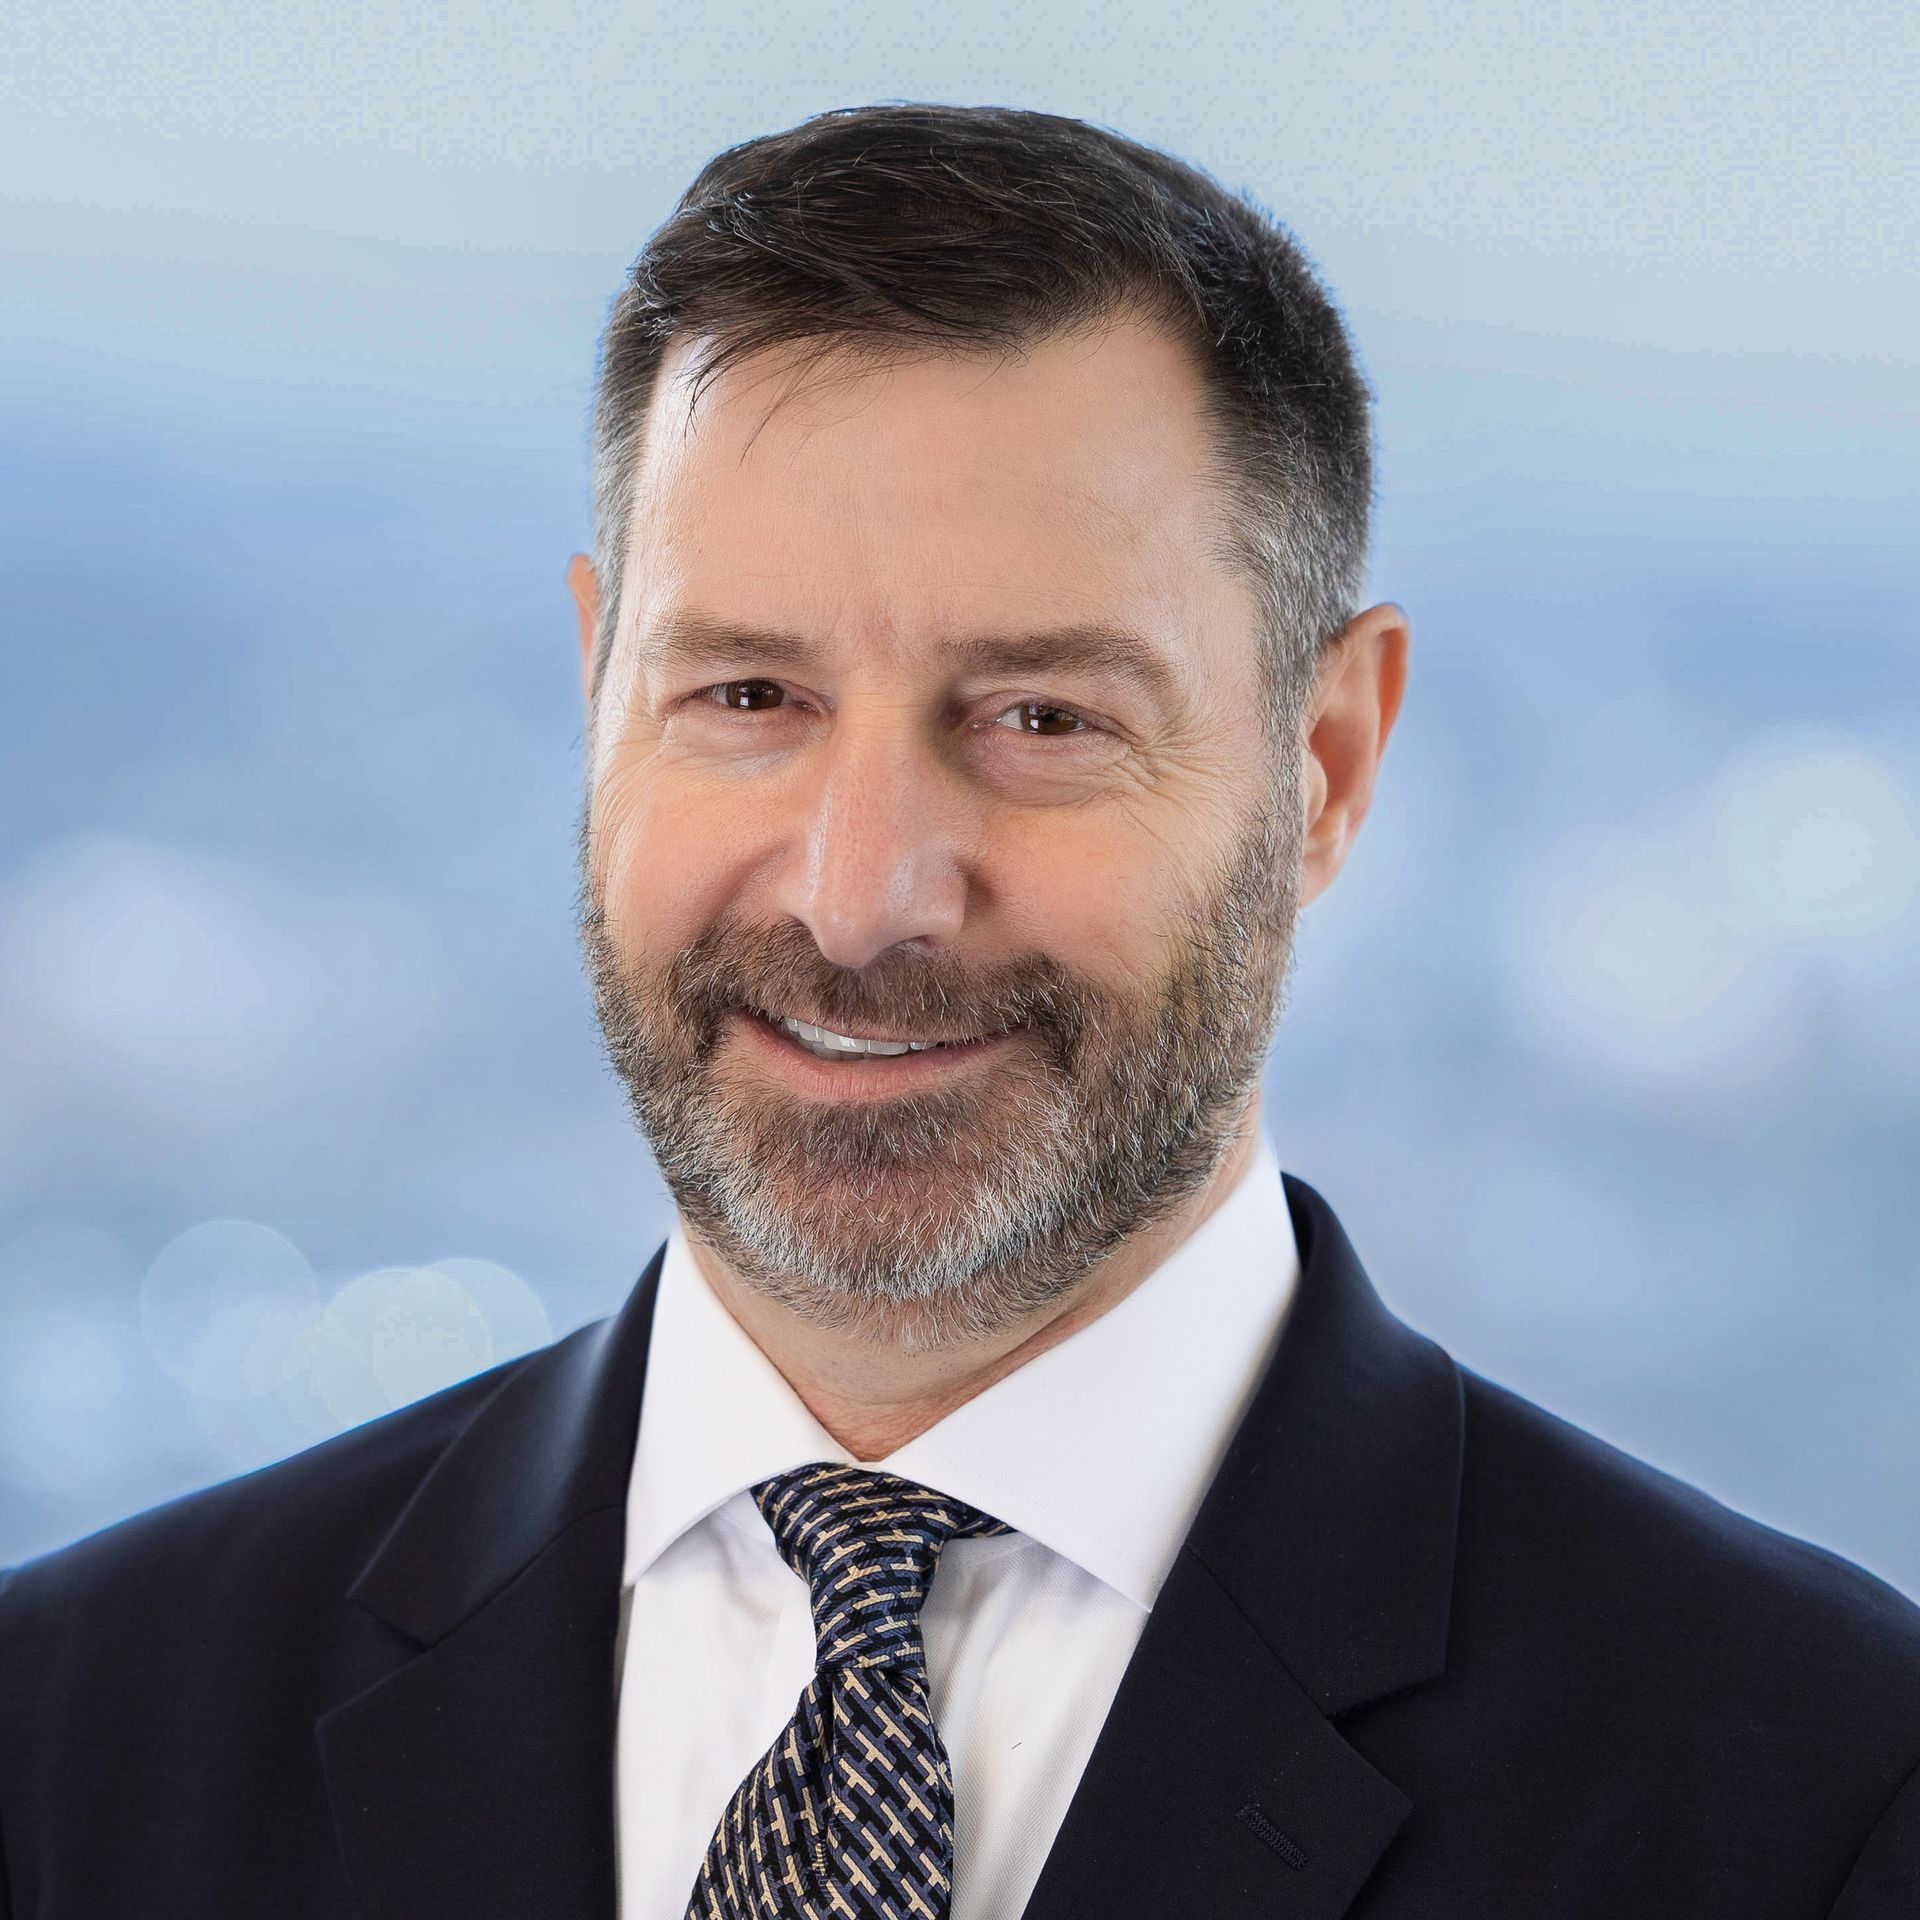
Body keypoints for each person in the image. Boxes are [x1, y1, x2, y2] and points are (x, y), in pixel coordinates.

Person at [1, 101, 1915, 1920]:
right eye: (747, 697)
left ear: (1324, 766)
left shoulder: (1821, 1799)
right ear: (596, 691)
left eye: (1042, 718)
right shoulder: (68, 1742)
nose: (860, 894)